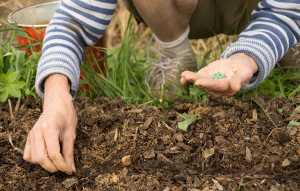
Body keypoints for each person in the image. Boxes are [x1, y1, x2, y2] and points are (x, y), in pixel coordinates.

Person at [23, 0, 300, 174]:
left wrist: (246, 58)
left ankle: (282, 44)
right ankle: (174, 50)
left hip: (256, 7)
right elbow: (72, 21)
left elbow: (285, 10)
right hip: (186, 8)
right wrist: (56, 96)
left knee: (286, 27)